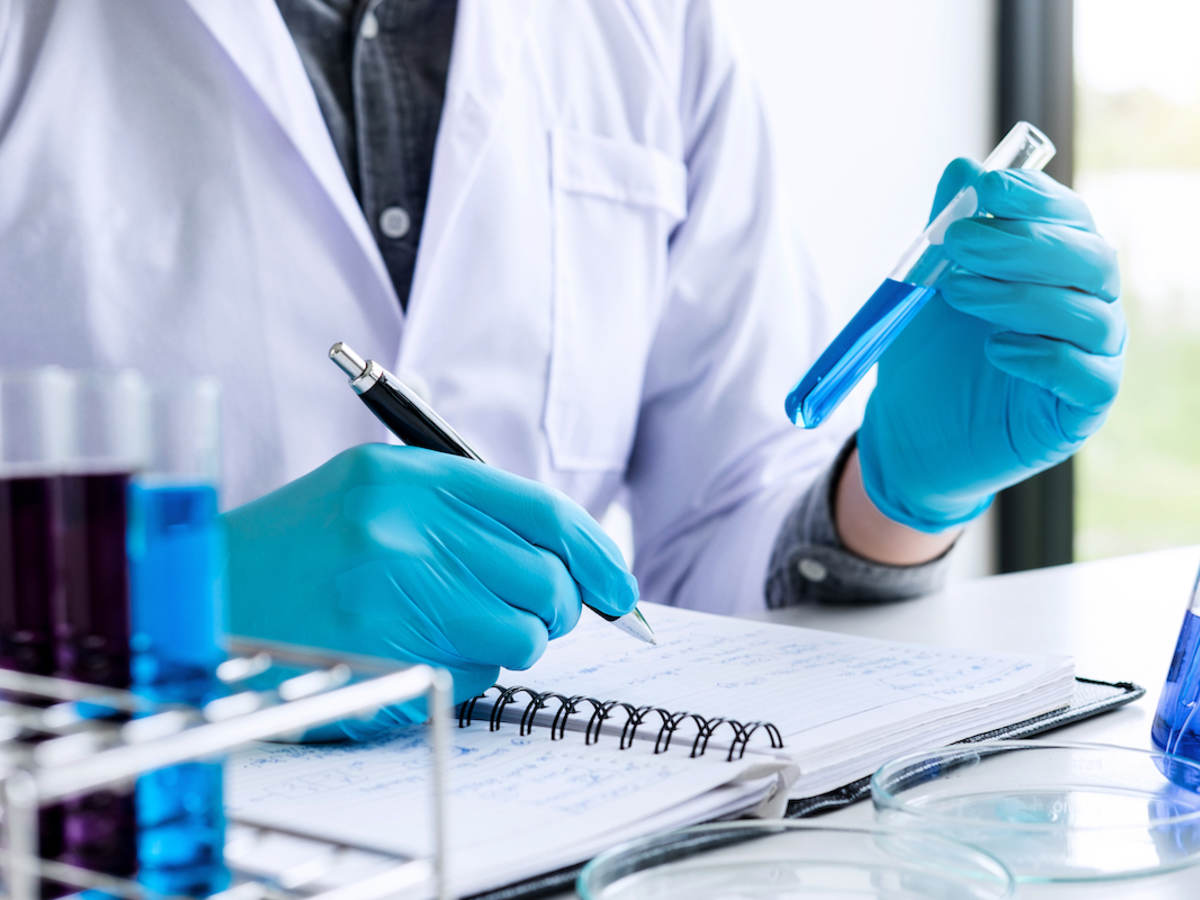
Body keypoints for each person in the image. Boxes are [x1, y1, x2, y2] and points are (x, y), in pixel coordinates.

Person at [0, 1, 1123, 734]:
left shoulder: (647, 25)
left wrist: (892, 496)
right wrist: (173, 600)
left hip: (554, 813)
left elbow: (725, 505)